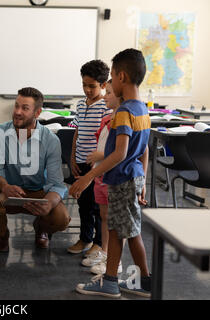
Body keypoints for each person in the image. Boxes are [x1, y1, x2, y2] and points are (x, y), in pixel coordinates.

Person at [72, 48, 151, 298]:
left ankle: (111, 281)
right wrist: (144, 181)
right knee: (125, 232)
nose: (110, 84)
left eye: (113, 77)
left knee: (121, 232)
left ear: (122, 77)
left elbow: (119, 153)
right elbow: (143, 150)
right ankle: (140, 280)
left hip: (122, 178)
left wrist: (87, 177)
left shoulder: (124, 111)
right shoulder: (143, 109)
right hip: (133, 177)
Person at [0, 87, 71, 252]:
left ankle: (41, 228)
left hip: (39, 193)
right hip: (8, 191)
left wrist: (49, 204)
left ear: (37, 113)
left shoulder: (51, 140)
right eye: (16, 106)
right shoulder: (0, 132)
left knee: (61, 218)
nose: (17, 112)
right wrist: (5, 187)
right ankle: (2, 236)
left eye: (25, 108)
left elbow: (56, 183)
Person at [67, 60, 112, 257]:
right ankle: (85, 238)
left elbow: (107, 137)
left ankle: (99, 242)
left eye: (91, 86)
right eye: (84, 85)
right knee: (83, 203)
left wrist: (97, 163)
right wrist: (72, 156)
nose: (87, 89)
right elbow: (77, 131)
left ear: (103, 85)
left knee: (97, 205)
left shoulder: (106, 106)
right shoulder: (80, 104)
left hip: (97, 166)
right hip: (81, 162)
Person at [81, 79, 124, 275]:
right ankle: (105, 252)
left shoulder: (123, 119)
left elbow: (123, 151)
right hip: (101, 176)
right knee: (104, 216)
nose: (105, 97)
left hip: (113, 176)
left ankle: (115, 261)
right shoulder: (108, 120)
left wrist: (101, 156)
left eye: (108, 93)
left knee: (114, 220)